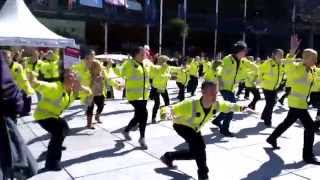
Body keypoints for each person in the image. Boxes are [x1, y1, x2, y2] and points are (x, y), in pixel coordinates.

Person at [160, 81, 245, 180]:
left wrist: (242, 108)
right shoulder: (190, 104)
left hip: (195, 128)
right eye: (211, 92)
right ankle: (203, 175)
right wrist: (165, 113)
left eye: (216, 93)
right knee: (200, 146)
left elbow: (229, 106)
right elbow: (169, 108)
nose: (214, 95)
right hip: (181, 126)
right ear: (203, 92)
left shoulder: (216, 105)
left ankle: (168, 156)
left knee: (194, 153)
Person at [266, 35, 320, 164]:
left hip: (301, 103)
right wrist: (292, 51)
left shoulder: (312, 70)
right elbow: (287, 65)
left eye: (316, 58)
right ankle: (307, 155)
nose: (315, 60)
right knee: (310, 127)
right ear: (305, 58)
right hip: (296, 103)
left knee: (287, 122)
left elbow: (316, 84)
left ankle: (272, 138)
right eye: (313, 58)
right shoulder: (295, 67)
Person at [28, 69, 91, 171]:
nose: (73, 78)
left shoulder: (72, 91)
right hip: (43, 116)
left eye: (74, 76)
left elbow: (89, 92)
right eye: (69, 76)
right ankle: (51, 163)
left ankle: (56, 145)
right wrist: (32, 77)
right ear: (63, 79)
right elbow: (37, 84)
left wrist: (82, 88)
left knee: (65, 128)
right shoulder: (55, 87)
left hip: (54, 115)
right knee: (59, 132)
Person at [212, 41, 254, 137]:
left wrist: (256, 73)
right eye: (244, 51)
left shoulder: (243, 60)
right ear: (238, 51)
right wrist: (219, 78)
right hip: (224, 87)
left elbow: (254, 66)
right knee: (231, 107)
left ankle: (217, 120)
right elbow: (220, 68)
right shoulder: (228, 59)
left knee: (228, 106)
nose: (245, 53)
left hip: (232, 88)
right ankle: (224, 129)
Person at [116, 47, 152, 149]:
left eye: (145, 54)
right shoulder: (129, 63)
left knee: (138, 116)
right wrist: (113, 66)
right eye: (142, 54)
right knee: (144, 113)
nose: (144, 55)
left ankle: (126, 130)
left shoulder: (146, 63)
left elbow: (154, 70)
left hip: (144, 95)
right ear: (135, 54)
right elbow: (119, 72)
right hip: (133, 96)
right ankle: (142, 138)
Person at [86, 60, 121, 129]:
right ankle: (89, 124)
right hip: (90, 94)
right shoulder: (87, 74)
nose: (99, 68)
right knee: (90, 108)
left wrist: (116, 85)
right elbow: (84, 83)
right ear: (92, 67)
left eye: (99, 67)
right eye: (97, 67)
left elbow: (109, 80)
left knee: (101, 106)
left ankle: (97, 117)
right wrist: (93, 80)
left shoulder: (102, 73)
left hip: (100, 93)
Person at [2, 50, 34, 117]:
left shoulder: (18, 66)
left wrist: (28, 89)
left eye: (7, 57)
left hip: (16, 90)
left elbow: (23, 79)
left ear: (11, 57)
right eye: (4, 58)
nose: (6, 59)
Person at [259, 49, 286, 126]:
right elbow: (260, 70)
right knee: (270, 103)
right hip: (267, 86)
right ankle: (268, 120)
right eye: (279, 54)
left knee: (270, 103)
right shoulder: (268, 63)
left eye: (282, 54)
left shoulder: (281, 64)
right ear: (274, 55)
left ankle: (264, 116)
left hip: (275, 87)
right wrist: (260, 80)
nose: (281, 56)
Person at [151, 55, 171, 123]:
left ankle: (165, 114)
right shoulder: (157, 68)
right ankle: (153, 118)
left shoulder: (167, 68)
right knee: (157, 103)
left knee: (167, 101)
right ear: (162, 61)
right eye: (167, 61)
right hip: (156, 87)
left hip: (163, 87)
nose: (168, 62)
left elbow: (169, 73)